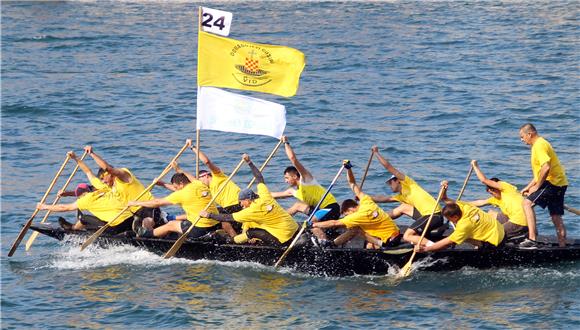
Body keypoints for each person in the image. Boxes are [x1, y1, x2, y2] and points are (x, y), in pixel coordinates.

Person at [199, 154, 299, 246]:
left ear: (247, 200)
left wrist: (208, 215)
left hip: (284, 238)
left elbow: (228, 218)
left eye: (241, 202)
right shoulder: (265, 196)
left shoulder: (251, 211)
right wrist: (249, 162)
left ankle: (233, 241)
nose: (241, 205)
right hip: (294, 228)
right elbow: (259, 177)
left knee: (252, 232)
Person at [36, 153, 135, 234]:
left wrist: (44, 207)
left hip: (117, 227)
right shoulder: (104, 188)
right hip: (130, 220)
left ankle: (74, 228)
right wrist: (75, 158)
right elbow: (88, 171)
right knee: (99, 217)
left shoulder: (86, 200)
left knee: (84, 218)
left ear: (81, 196)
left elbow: (64, 208)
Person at [312, 161, 400, 249]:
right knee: (360, 231)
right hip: (396, 235)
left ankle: (331, 245)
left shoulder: (357, 216)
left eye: (346, 215)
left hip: (391, 242)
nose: (347, 217)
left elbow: (334, 223)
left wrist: (314, 225)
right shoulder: (366, 201)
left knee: (356, 230)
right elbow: (352, 184)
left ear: (349, 210)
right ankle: (332, 244)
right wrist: (349, 169)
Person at [270, 136, 340, 245]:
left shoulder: (306, 179)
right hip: (319, 210)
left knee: (310, 222)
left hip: (331, 208)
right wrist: (255, 195)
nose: (285, 181)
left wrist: (286, 142)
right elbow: (272, 195)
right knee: (298, 205)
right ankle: (279, 222)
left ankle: (325, 244)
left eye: (287, 178)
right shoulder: (292, 191)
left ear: (294, 176)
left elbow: (293, 159)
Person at [370, 146, 444, 246]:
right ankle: (377, 219)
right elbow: (384, 199)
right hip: (425, 215)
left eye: (390, 183)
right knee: (403, 207)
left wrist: (376, 153)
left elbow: (389, 167)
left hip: (433, 215)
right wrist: (363, 197)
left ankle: (434, 246)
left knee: (407, 236)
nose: (389, 185)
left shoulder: (408, 184)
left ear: (397, 180)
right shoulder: (401, 196)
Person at [129, 165, 220, 239]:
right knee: (185, 217)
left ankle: (146, 234)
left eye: (176, 187)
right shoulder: (198, 184)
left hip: (201, 229)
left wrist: (136, 203)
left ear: (181, 184)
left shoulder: (181, 194)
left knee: (171, 225)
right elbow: (189, 177)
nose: (175, 190)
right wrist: (177, 171)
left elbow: (157, 202)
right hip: (215, 223)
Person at [414, 181, 505, 253]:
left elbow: (448, 241)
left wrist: (426, 249)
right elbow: (445, 199)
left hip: (496, 242)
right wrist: (444, 189)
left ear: (455, 216)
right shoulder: (463, 206)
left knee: (460, 237)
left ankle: (482, 245)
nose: (449, 221)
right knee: (461, 234)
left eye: (450, 219)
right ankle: (479, 240)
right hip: (500, 229)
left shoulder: (464, 225)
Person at [84, 145, 162, 228]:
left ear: (110, 174)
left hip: (148, 208)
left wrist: (91, 153)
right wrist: (76, 159)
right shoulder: (110, 187)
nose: (103, 181)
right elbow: (89, 173)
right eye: (101, 179)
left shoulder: (123, 176)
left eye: (103, 178)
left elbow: (107, 168)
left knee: (146, 224)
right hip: (136, 214)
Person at [519, 123, 568, 248]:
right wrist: (529, 186)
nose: (522, 140)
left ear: (530, 134)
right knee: (556, 216)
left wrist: (536, 187)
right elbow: (539, 172)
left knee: (527, 204)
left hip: (552, 183)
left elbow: (546, 168)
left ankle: (532, 240)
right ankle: (562, 247)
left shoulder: (539, 145)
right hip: (560, 183)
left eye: (522, 136)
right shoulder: (542, 143)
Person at [468, 160, 528, 238]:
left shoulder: (505, 187)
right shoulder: (496, 199)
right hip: (514, 219)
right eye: (490, 193)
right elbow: (480, 202)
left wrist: (475, 166)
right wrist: (458, 203)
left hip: (521, 222)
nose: (492, 193)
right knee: (490, 214)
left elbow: (484, 180)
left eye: (492, 191)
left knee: (492, 234)